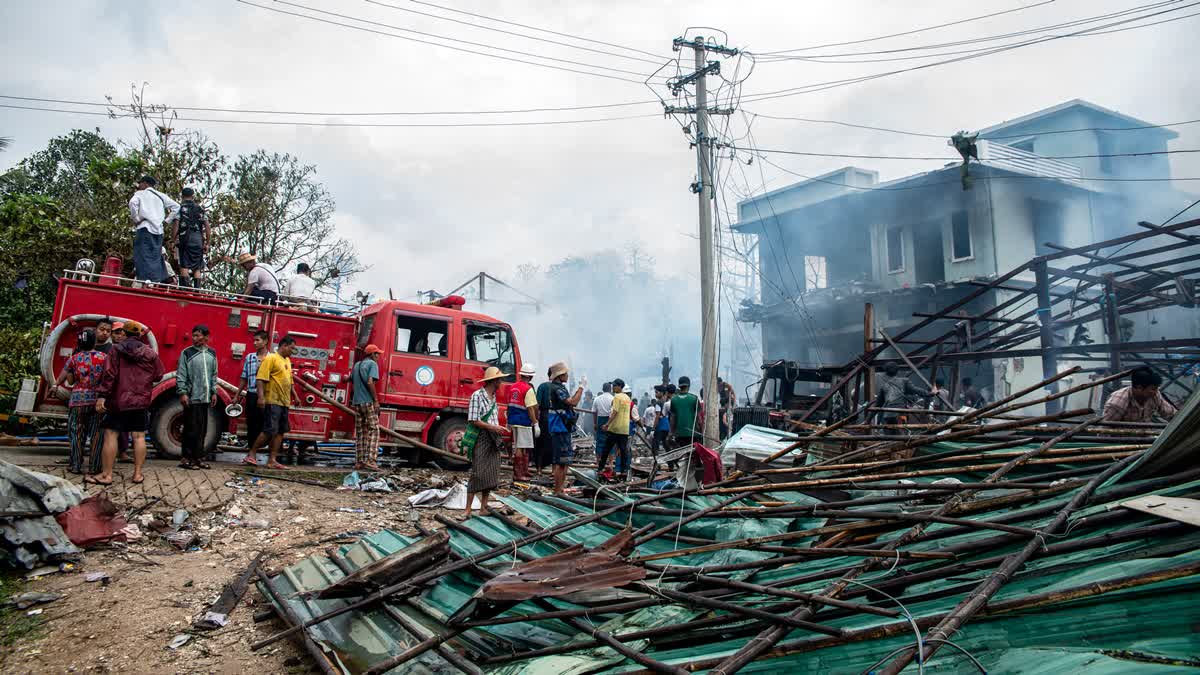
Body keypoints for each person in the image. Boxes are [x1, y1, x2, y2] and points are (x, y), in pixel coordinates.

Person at [89, 321, 163, 486]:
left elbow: (109, 374)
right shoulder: (149, 352)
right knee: (139, 436)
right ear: (139, 334)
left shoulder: (116, 350)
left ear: (124, 333)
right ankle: (137, 474)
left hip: (118, 400)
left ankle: (107, 475)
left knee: (111, 434)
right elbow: (159, 375)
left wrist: (102, 396)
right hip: (140, 401)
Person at [242, 336, 296, 469]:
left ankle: (272, 460)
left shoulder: (287, 360)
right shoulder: (271, 358)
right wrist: (261, 397)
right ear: (284, 346)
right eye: (291, 348)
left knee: (280, 432)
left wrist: (295, 396)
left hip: (284, 402)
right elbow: (260, 379)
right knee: (269, 430)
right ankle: (251, 454)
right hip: (272, 401)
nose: (293, 351)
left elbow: (290, 380)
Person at [58, 329, 106, 474]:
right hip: (97, 401)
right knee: (97, 434)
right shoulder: (104, 357)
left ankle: (75, 465)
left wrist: (55, 385)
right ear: (94, 341)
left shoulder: (74, 359)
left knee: (76, 433)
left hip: (77, 401)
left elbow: (67, 380)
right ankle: (94, 467)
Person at [465, 366, 509, 517]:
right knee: (478, 472)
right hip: (482, 436)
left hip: (493, 437)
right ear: (493, 381)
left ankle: (483, 507)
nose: (501, 382)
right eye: (499, 379)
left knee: (491, 472)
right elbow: (473, 420)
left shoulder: (493, 397)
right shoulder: (477, 396)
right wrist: (493, 427)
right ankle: (468, 509)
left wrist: (497, 429)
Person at [175, 324, 218, 469]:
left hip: (205, 398)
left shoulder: (212, 353)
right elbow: (181, 374)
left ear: (206, 337)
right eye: (193, 335)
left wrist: (214, 392)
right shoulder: (187, 353)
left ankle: (198, 458)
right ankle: (186, 459)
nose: (194, 338)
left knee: (202, 430)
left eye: (198, 335)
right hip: (192, 397)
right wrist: (183, 393)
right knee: (190, 429)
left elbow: (214, 374)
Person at [128, 175, 179, 283]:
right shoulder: (160, 195)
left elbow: (132, 203)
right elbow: (176, 207)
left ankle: (146, 282)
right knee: (155, 256)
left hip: (144, 227)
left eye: (140, 183)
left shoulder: (140, 194)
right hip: (159, 231)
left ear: (145, 183)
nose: (139, 186)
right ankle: (156, 280)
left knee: (142, 255)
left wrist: (136, 219)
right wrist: (166, 221)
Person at [546, 362, 584, 495]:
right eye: (566, 373)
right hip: (560, 427)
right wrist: (581, 388)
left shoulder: (557, 387)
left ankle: (560, 489)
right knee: (561, 462)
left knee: (565, 461)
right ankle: (557, 490)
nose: (567, 375)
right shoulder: (558, 389)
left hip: (562, 427)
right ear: (560, 375)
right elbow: (573, 402)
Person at [1103, 367, 1177, 422]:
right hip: (1122, 438)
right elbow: (1105, 430)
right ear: (1139, 388)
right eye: (1153, 389)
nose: (1156, 392)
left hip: (1146, 435)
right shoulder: (1117, 403)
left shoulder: (1154, 395)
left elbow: (1170, 414)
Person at [237, 330, 270, 452]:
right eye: (254, 340)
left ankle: (259, 448)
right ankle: (251, 451)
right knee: (251, 423)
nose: (254, 343)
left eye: (257, 340)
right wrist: (237, 395)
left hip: (266, 396)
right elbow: (244, 377)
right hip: (251, 394)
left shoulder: (272, 358)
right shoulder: (250, 357)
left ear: (265, 341)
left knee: (264, 424)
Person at [352, 344, 383, 471]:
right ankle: (371, 460)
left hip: (357, 402)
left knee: (361, 432)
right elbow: (370, 382)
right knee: (374, 430)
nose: (378, 356)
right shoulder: (372, 364)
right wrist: (376, 401)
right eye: (377, 354)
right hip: (368, 402)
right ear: (372, 354)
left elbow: (350, 379)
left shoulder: (357, 365)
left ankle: (359, 461)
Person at [171, 187, 209, 289]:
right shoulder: (200, 209)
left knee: (184, 264)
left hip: (185, 238)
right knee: (197, 267)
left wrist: (173, 240)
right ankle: (197, 291)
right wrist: (207, 243)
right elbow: (207, 226)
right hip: (198, 239)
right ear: (193, 196)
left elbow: (176, 225)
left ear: (182, 196)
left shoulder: (180, 208)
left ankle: (185, 290)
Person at [507, 362, 539, 482]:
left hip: (513, 420)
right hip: (523, 421)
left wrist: (508, 421)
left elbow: (509, 404)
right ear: (530, 377)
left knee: (522, 446)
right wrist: (535, 423)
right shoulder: (528, 389)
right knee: (521, 447)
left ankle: (524, 471)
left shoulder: (513, 387)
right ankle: (519, 474)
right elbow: (531, 408)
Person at [599, 379, 632, 478]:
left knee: (606, 449)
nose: (612, 387)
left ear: (619, 386)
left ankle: (600, 468)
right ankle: (624, 471)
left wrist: (607, 424)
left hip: (615, 428)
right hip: (624, 428)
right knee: (623, 450)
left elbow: (615, 412)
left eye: (614, 386)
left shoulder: (617, 397)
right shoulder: (627, 398)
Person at [669, 376, 700, 449]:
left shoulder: (673, 399)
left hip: (679, 433)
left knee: (681, 452)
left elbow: (672, 418)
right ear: (689, 385)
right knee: (692, 453)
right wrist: (700, 429)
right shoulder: (694, 398)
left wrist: (671, 432)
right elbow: (698, 418)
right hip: (692, 433)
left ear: (679, 386)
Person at [592, 382, 614, 460]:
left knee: (599, 442)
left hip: (600, 420)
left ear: (602, 389)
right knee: (610, 442)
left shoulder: (597, 399)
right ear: (610, 389)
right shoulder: (613, 398)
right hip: (610, 421)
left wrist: (595, 423)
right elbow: (614, 413)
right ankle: (610, 463)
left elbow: (594, 412)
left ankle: (598, 462)